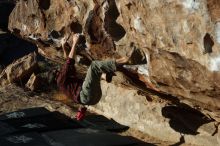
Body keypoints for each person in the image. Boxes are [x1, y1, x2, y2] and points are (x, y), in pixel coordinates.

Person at [56, 34, 138, 120]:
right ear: (56, 76)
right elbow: (69, 61)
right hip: (86, 95)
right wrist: (74, 42)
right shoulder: (60, 80)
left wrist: (63, 46)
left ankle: (104, 75)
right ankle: (123, 60)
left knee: (91, 74)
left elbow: (67, 61)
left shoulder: (64, 83)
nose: (59, 71)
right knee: (94, 66)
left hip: (94, 99)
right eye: (57, 72)